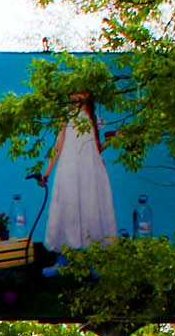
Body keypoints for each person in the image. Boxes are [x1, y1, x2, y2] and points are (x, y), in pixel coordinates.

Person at [44, 93, 119, 251]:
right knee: (67, 206)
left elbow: (95, 149)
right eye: (73, 93)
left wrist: (112, 141)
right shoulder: (67, 116)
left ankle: (92, 255)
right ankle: (65, 255)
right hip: (70, 168)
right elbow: (58, 145)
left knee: (91, 208)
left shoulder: (93, 118)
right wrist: (47, 173)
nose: (76, 96)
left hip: (90, 170)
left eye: (81, 92)